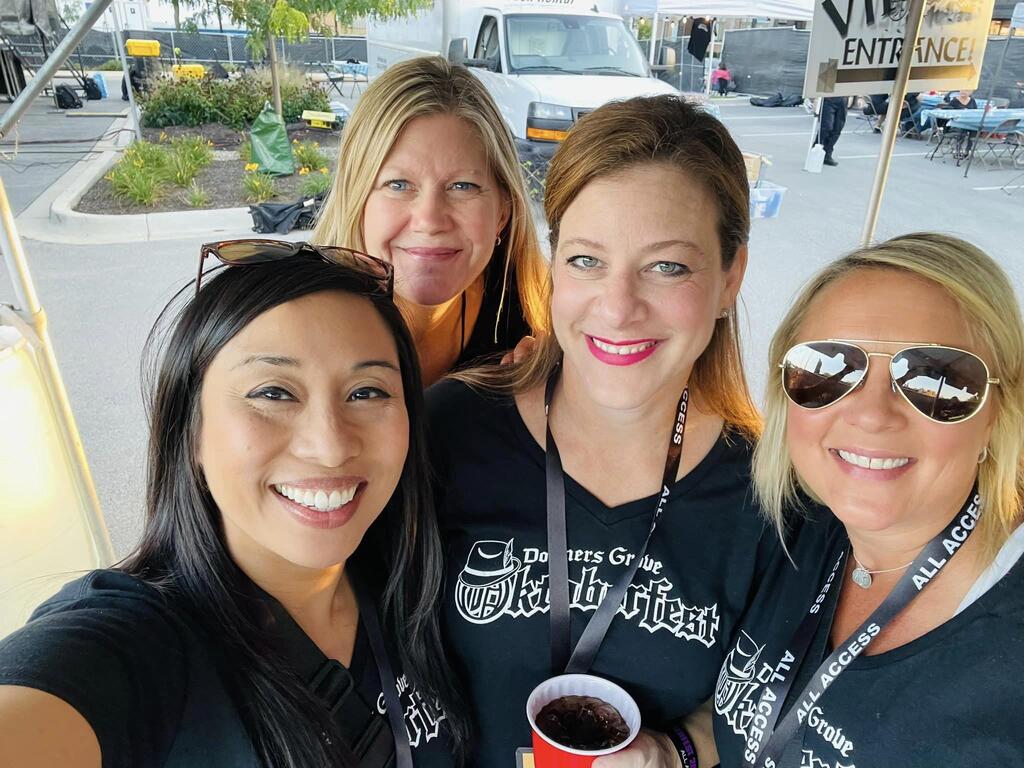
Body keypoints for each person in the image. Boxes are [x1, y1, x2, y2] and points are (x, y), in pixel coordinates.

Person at [0, 242, 468, 767]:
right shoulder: (137, 640)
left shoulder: (418, 584)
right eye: (273, 393)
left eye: (367, 392)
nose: (331, 446)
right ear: (190, 431)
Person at [428, 95, 776, 767]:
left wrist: (673, 751)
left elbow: (766, 701)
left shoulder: (769, 497)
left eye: (667, 266)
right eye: (587, 260)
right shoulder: (451, 430)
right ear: (554, 265)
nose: (617, 308)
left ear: (731, 277)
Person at [712, 233, 1024, 767]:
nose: (872, 414)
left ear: (998, 413)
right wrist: (675, 751)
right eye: (826, 369)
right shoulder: (798, 529)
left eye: (936, 380)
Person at [314, 56, 547, 385]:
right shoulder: (294, 325)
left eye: (462, 186)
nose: (429, 220)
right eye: (398, 185)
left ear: (502, 211)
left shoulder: (536, 313)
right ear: (356, 199)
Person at [817, 96, 847, 166]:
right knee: (826, 127)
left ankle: (827, 154)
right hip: (828, 98)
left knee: (837, 128)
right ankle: (817, 149)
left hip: (843, 99)